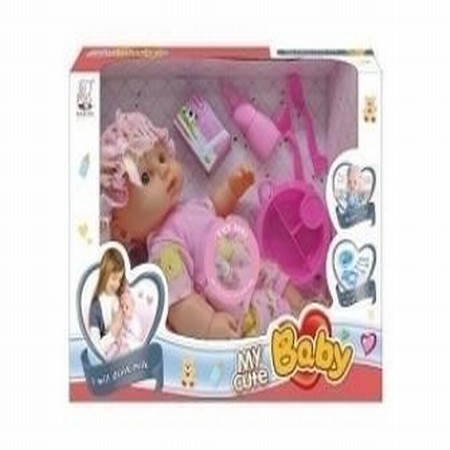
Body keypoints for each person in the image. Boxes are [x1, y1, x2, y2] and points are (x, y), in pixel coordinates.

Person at [100, 110, 329, 340]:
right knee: (270, 319)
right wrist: (209, 325)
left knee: (278, 278)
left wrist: (232, 189)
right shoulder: (164, 249)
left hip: (250, 265)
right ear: (122, 231)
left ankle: (307, 308)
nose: (164, 169)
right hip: (238, 305)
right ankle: (302, 332)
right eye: (146, 177)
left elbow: (215, 207)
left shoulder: (190, 206)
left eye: (162, 158)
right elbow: (180, 301)